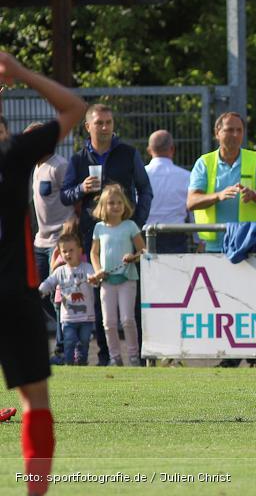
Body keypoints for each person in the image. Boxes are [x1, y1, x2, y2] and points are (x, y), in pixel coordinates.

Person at [0, 50, 87, 495]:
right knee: (35, 402)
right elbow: (74, 108)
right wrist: (19, 72)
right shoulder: (14, 157)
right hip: (13, 293)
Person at [60, 103, 153, 366]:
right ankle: (107, 357)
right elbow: (65, 195)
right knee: (103, 305)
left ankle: (138, 356)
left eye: (109, 123)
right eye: (99, 123)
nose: (105, 127)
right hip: (93, 236)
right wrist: (80, 188)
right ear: (87, 126)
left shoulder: (128, 153)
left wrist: (136, 221)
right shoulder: (79, 159)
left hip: (127, 239)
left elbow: (145, 190)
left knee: (131, 306)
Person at [187, 112, 256, 368]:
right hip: (215, 245)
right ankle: (230, 353)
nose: (234, 135)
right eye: (229, 130)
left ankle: (255, 354)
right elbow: (191, 201)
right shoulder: (204, 163)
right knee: (222, 303)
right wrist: (218, 195)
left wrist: (254, 195)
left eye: (238, 130)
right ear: (217, 133)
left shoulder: (255, 160)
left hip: (249, 242)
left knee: (252, 301)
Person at [26, 121, 75, 364]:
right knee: (38, 294)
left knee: (58, 298)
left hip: (58, 243)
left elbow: (72, 198)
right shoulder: (35, 167)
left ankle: (64, 349)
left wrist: (69, 229)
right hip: (39, 242)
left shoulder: (59, 166)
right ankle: (65, 341)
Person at [88, 184, 145, 367]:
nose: (116, 206)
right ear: (103, 206)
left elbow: (143, 250)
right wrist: (97, 270)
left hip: (127, 279)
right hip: (106, 282)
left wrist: (133, 257)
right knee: (108, 322)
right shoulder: (99, 228)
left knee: (127, 319)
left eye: (120, 202)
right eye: (111, 203)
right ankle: (115, 357)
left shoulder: (130, 226)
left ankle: (134, 356)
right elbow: (94, 253)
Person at [38, 234, 95, 366]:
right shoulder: (60, 271)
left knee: (85, 340)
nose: (68, 254)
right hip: (68, 318)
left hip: (86, 317)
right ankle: (69, 364)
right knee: (69, 341)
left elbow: (94, 279)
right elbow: (49, 282)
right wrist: (41, 290)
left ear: (80, 251)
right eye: (64, 251)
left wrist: (94, 279)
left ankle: (82, 361)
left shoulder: (87, 268)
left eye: (71, 250)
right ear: (60, 253)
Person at [145, 130, 192, 253]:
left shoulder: (139, 175)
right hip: (176, 237)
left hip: (144, 236)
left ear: (149, 150)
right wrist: (200, 241)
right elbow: (194, 211)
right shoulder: (187, 176)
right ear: (172, 149)